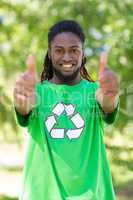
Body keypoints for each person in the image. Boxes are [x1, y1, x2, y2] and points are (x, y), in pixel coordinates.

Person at [14, 20, 119, 200]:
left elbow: (108, 105)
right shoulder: (37, 92)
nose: (67, 57)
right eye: (59, 50)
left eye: (74, 50)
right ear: (50, 53)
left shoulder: (95, 92)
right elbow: (24, 108)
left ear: (82, 52)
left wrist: (110, 96)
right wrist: (21, 99)